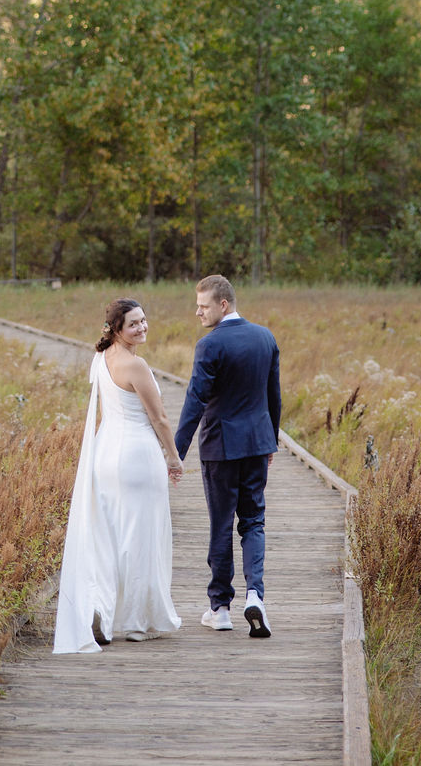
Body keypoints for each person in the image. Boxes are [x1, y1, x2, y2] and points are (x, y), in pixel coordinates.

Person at [53, 297, 183, 652]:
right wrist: (173, 458)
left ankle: (102, 610)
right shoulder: (135, 365)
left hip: (106, 452)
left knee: (108, 537)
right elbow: (160, 419)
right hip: (137, 456)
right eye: (134, 324)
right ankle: (138, 623)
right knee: (140, 539)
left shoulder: (102, 358)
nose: (142, 327)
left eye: (143, 320)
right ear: (116, 329)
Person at [174, 273, 281, 638]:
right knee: (253, 522)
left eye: (203, 306)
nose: (198, 313)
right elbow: (273, 397)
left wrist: (176, 452)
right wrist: (271, 442)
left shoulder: (210, 345)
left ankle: (220, 608)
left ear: (223, 304)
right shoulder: (265, 337)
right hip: (256, 445)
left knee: (221, 524)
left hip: (220, 447)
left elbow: (195, 400)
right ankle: (256, 596)